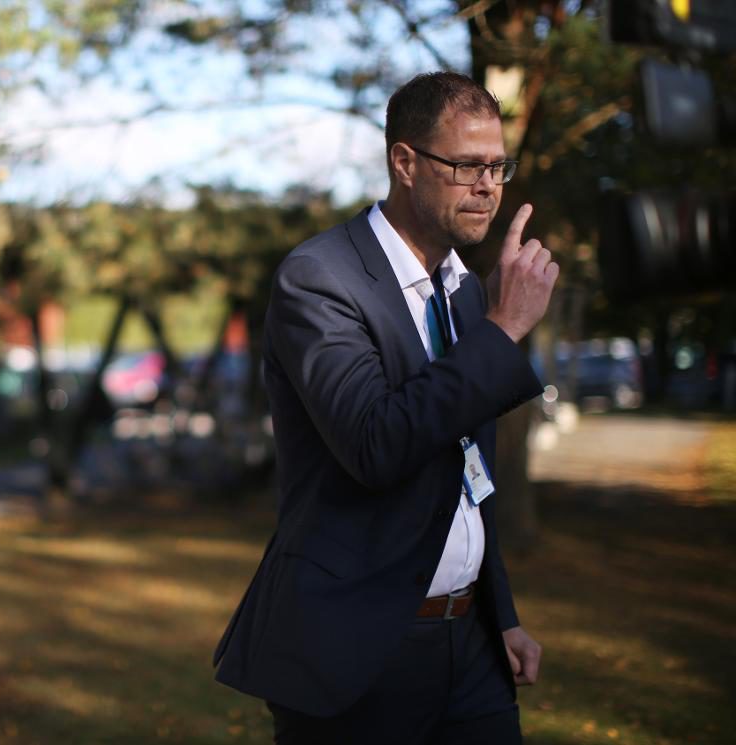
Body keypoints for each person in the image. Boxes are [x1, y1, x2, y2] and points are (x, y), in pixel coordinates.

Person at [213, 71, 558, 744]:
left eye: (498, 166)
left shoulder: (463, 294)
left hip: (472, 649)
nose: (488, 185)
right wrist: (502, 331)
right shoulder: (320, 278)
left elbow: (467, 475)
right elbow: (377, 443)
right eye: (466, 165)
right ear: (404, 162)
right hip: (358, 650)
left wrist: (501, 614)